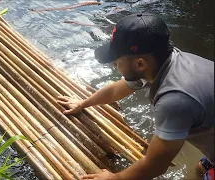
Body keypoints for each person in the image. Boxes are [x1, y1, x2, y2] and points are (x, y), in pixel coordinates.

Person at [57, 13, 214, 180]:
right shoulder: (165, 62)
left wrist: (116, 178)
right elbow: (114, 91)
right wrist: (83, 103)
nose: (113, 65)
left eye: (117, 61)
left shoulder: (174, 100)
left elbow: (156, 165)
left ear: (140, 63)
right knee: (199, 169)